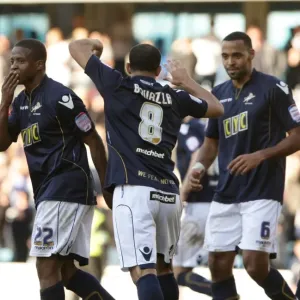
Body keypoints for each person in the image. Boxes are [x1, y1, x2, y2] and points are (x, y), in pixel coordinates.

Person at [68, 39, 224, 300]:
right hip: (168, 193)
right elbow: (217, 107)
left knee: (143, 270)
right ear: (159, 71)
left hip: (134, 191)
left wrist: (97, 47)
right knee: (164, 269)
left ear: (128, 66)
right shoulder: (176, 95)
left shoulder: (116, 83)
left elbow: (76, 47)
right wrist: (186, 81)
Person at [184, 31, 300, 300]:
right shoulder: (218, 93)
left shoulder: (274, 88)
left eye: (236, 55)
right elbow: (210, 143)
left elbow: (297, 136)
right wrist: (197, 170)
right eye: (225, 56)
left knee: (254, 264)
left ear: (251, 54)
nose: (230, 61)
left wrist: (260, 155)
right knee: (217, 265)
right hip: (226, 191)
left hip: (262, 190)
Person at [0, 39, 114, 300]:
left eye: (20, 61)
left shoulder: (60, 97)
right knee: (65, 272)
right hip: (47, 192)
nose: (13, 66)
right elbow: (2, 143)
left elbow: (94, 141)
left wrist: (106, 185)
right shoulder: (19, 102)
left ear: (39, 65)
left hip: (66, 186)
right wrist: (5, 101)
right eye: (12, 61)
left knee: (45, 266)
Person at [173, 117, 219, 297]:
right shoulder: (210, 126)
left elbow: (197, 153)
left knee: (177, 272)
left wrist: (183, 192)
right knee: (221, 269)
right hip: (220, 205)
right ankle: (223, 291)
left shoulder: (188, 128)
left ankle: (222, 293)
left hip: (197, 206)